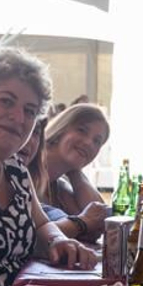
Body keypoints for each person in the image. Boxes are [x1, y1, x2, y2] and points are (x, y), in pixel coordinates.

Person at [0, 47, 94, 286]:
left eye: (30, 111)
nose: (19, 117)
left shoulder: (16, 170)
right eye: (6, 101)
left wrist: (57, 240)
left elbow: (41, 224)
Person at [29, 102, 111, 242]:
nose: (88, 143)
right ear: (60, 130)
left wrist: (76, 172)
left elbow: (100, 222)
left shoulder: (61, 186)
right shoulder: (26, 169)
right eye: (82, 130)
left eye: (97, 141)